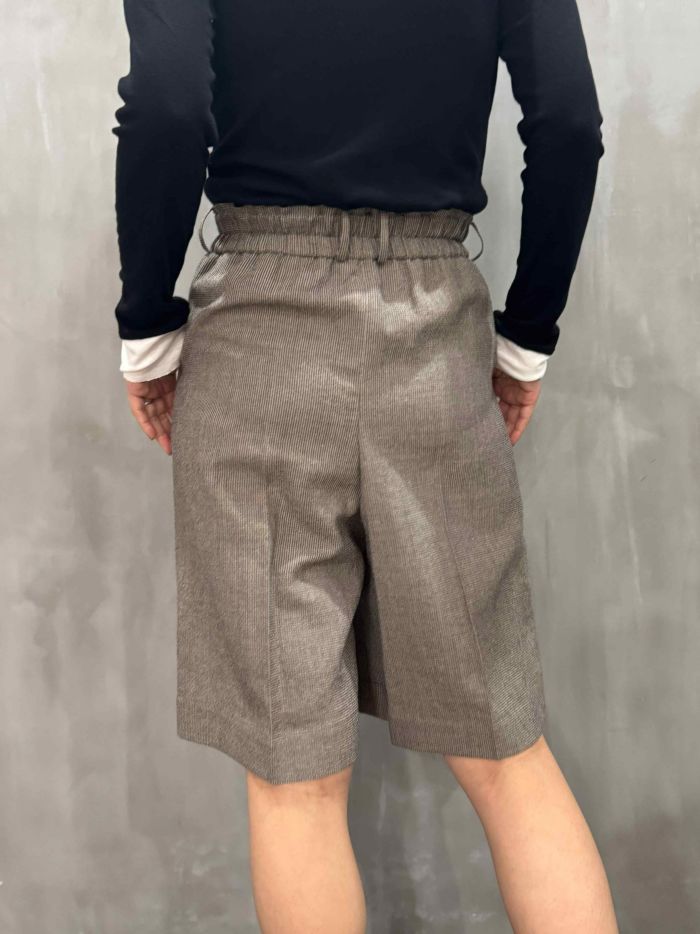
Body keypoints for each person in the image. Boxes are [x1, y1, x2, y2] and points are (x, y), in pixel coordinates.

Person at [111, 1, 618, 931]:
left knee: (293, 774)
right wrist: (526, 337)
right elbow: (570, 124)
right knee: (506, 753)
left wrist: (147, 324)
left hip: (259, 334)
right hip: (435, 329)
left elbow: (168, 106)